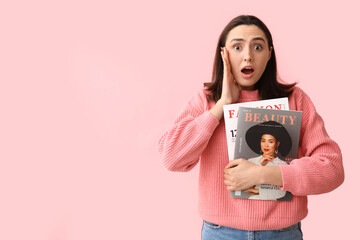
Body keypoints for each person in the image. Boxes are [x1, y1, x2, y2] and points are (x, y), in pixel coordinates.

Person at [158, 15, 344, 240]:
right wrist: (221, 106)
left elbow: (331, 169)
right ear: (223, 54)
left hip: (283, 234)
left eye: (257, 47)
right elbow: (171, 157)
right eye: (237, 47)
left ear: (269, 54)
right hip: (219, 233)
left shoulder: (296, 100)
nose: (248, 56)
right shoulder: (205, 101)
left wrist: (263, 173)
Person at [244, 121, 292, 200]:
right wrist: (260, 164)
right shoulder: (251, 161)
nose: (266, 145)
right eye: (263, 141)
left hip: (274, 205)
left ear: (277, 144)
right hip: (251, 201)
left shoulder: (282, 165)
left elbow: (282, 192)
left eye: (270, 141)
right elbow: (244, 184)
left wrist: (259, 191)